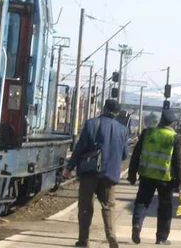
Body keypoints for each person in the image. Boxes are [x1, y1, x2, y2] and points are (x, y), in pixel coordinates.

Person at [63, 100, 130, 248]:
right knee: (109, 206)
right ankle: (111, 235)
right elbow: (125, 154)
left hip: (90, 173)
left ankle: (83, 240)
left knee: (85, 206)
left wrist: (69, 168)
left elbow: (79, 148)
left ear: (104, 109)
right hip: (110, 175)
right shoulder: (122, 129)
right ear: (117, 113)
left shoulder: (91, 124)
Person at [127, 110, 181, 245]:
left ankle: (137, 225)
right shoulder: (175, 137)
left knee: (142, 202)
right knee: (165, 208)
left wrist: (132, 174)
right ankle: (161, 238)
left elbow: (136, 155)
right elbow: (177, 162)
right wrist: (179, 182)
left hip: (146, 175)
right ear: (172, 123)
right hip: (166, 179)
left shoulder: (147, 133)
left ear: (160, 121)